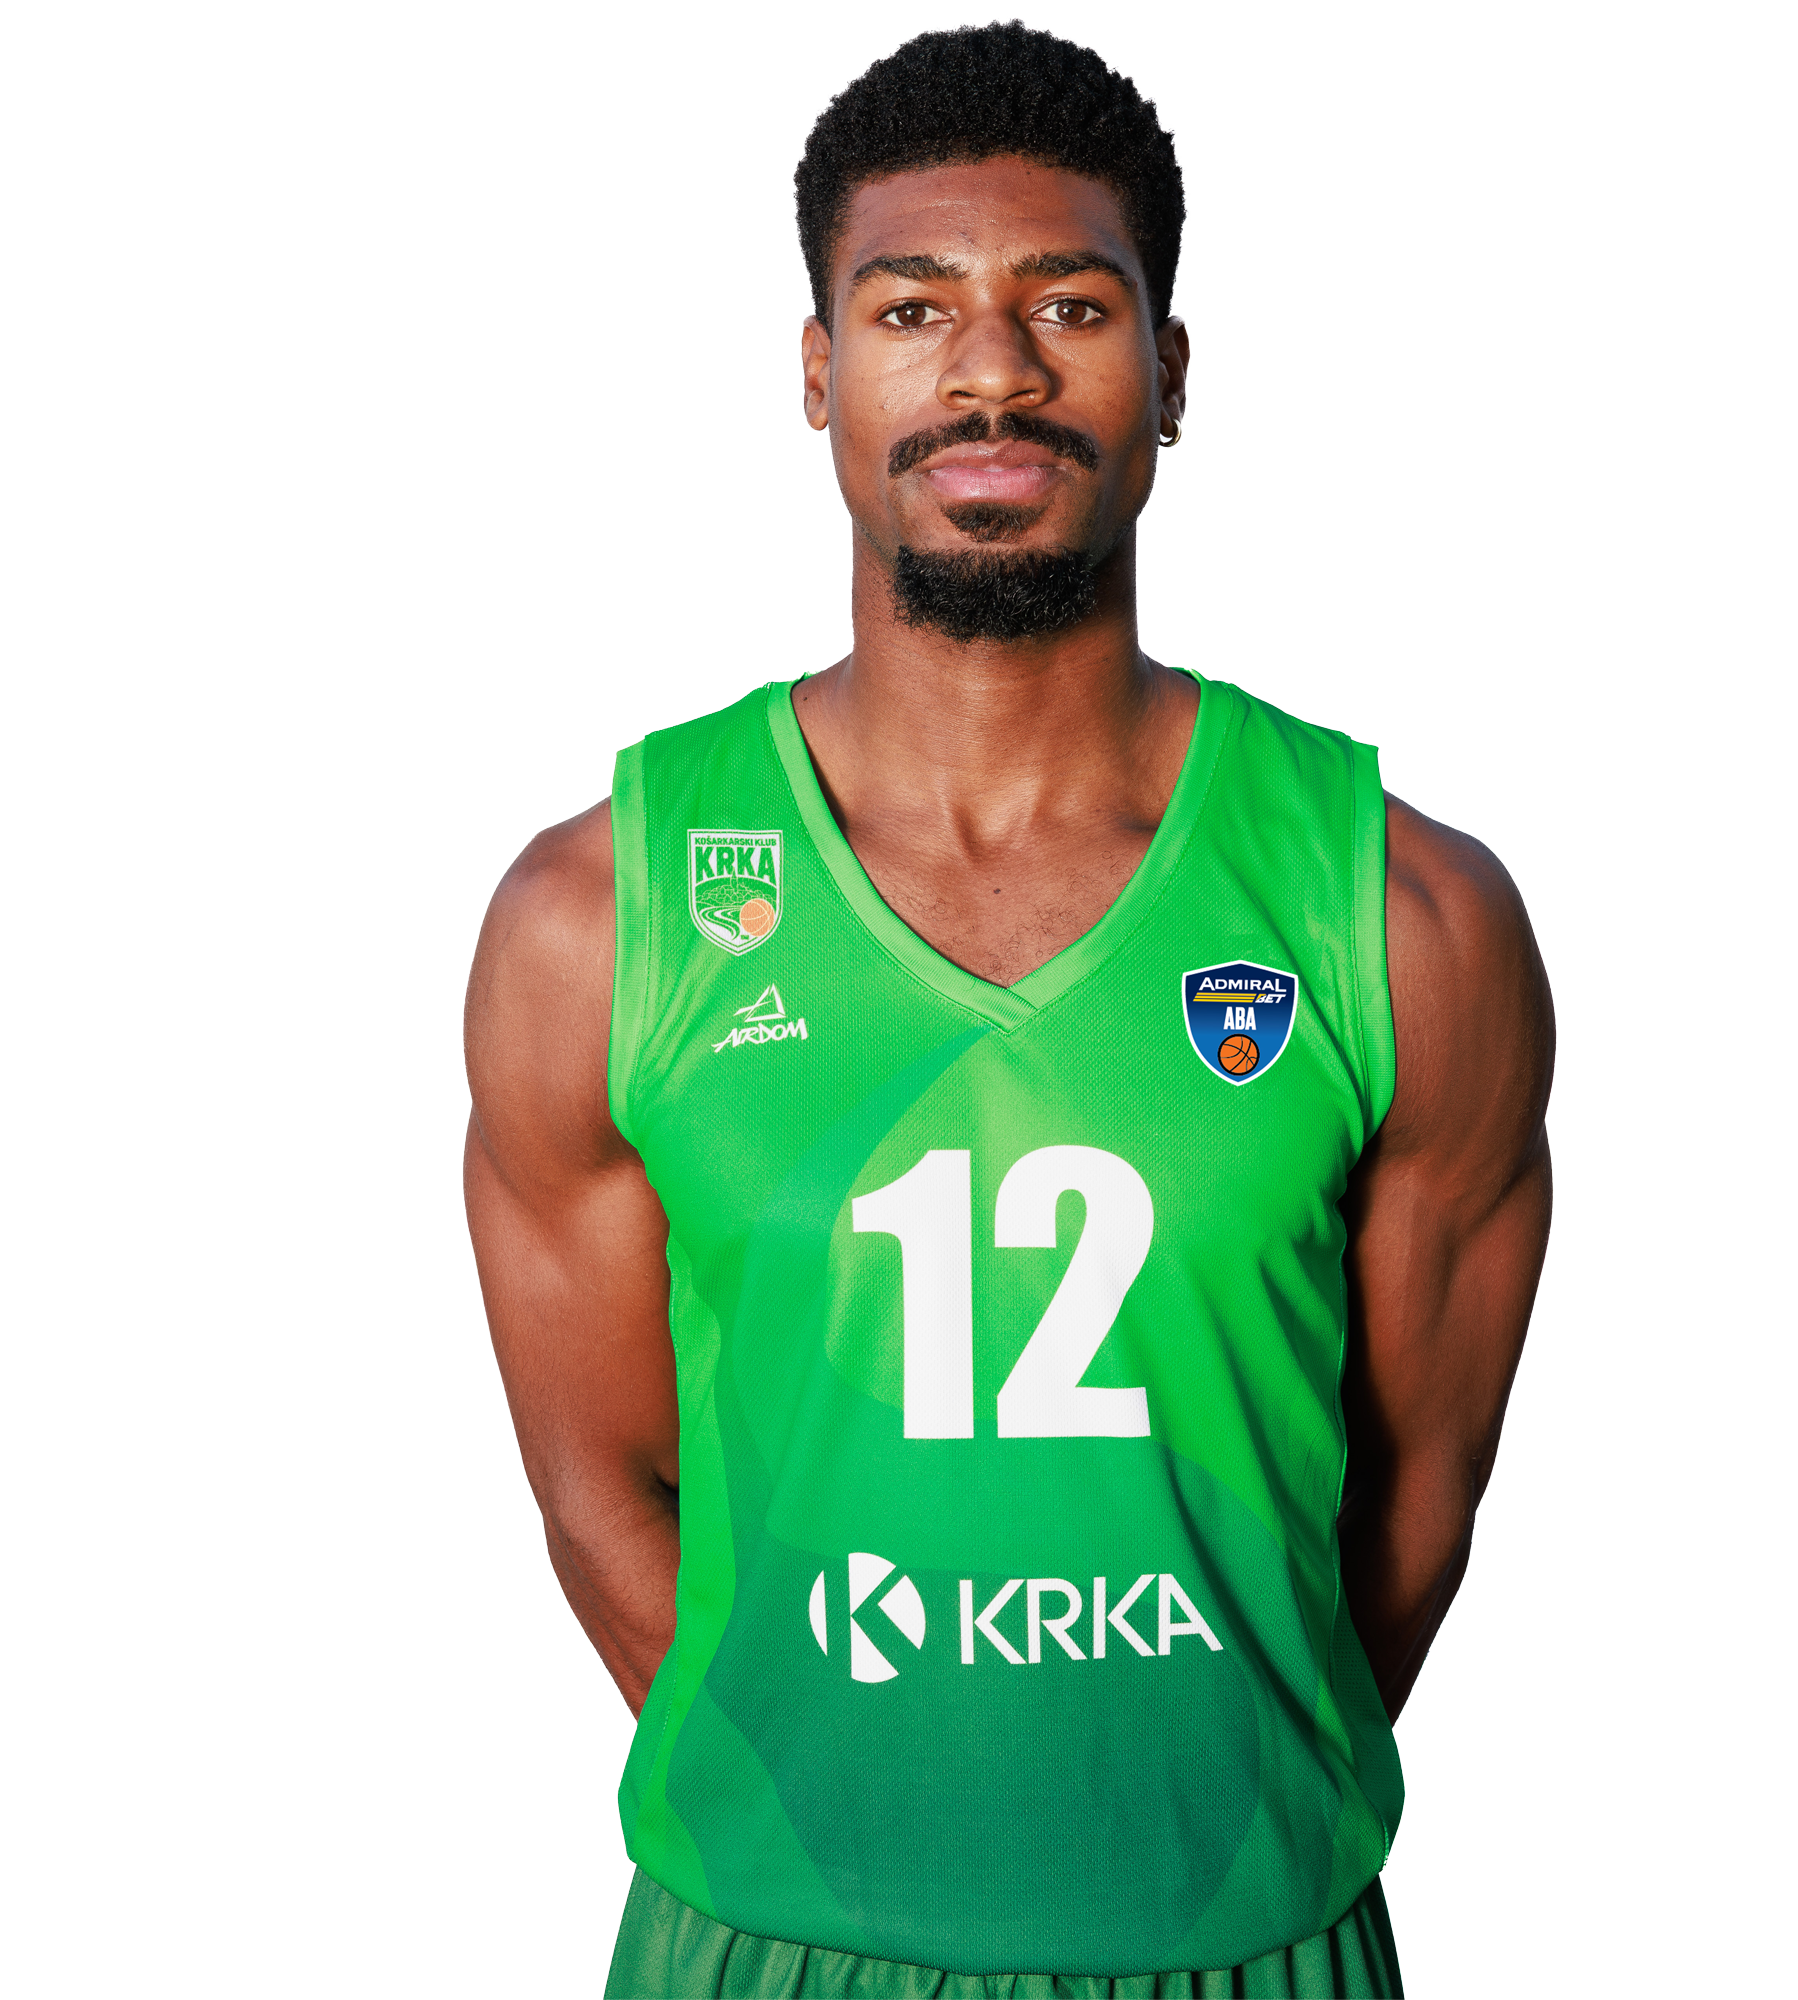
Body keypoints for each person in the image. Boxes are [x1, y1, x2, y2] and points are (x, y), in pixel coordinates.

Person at [463, 22, 1554, 1997]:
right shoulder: (599, 916)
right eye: (912, 309)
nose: (992, 370)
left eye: (1069, 304)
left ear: (1173, 373)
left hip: (1242, 1937)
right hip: (768, 1941)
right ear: (818, 372)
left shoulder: (1406, 914)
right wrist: (856, 1822)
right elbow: (596, 1486)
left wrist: (1174, 1827)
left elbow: (1417, 1496)